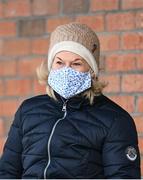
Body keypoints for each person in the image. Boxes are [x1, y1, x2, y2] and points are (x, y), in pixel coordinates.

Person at [0, 22, 141, 179]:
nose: (66, 70)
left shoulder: (115, 120)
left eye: (76, 63)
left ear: (92, 71)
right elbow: (7, 171)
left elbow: (122, 176)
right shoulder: (28, 110)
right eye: (59, 62)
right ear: (51, 65)